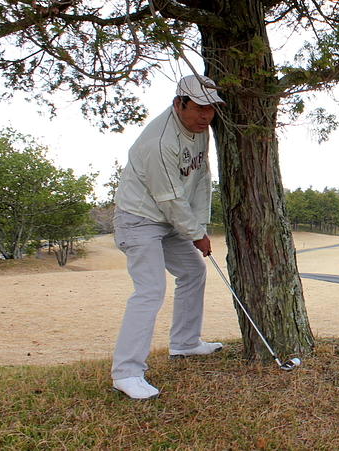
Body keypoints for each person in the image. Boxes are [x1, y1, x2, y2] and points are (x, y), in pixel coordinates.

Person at [111, 75, 225, 400]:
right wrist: (196, 234)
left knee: (192, 272)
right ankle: (127, 372)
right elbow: (170, 199)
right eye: (199, 108)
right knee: (150, 290)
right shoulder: (160, 142)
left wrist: (199, 227)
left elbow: (202, 178)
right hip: (139, 218)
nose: (205, 116)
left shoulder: (199, 131)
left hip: (170, 219)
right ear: (179, 103)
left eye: (211, 109)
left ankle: (185, 344)